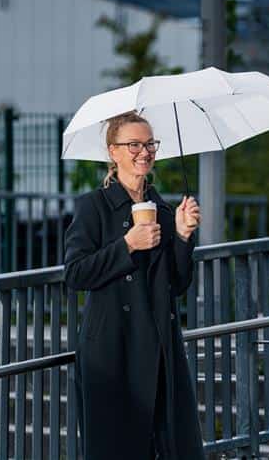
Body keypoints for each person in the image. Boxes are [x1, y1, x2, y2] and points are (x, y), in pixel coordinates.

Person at [64, 111, 205, 460]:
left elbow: (177, 283)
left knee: (171, 444)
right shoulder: (93, 206)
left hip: (160, 346)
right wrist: (127, 244)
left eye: (150, 144)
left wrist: (184, 236)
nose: (144, 152)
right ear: (113, 151)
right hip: (113, 349)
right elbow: (76, 273)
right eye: (134, 144)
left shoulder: (162, 208)